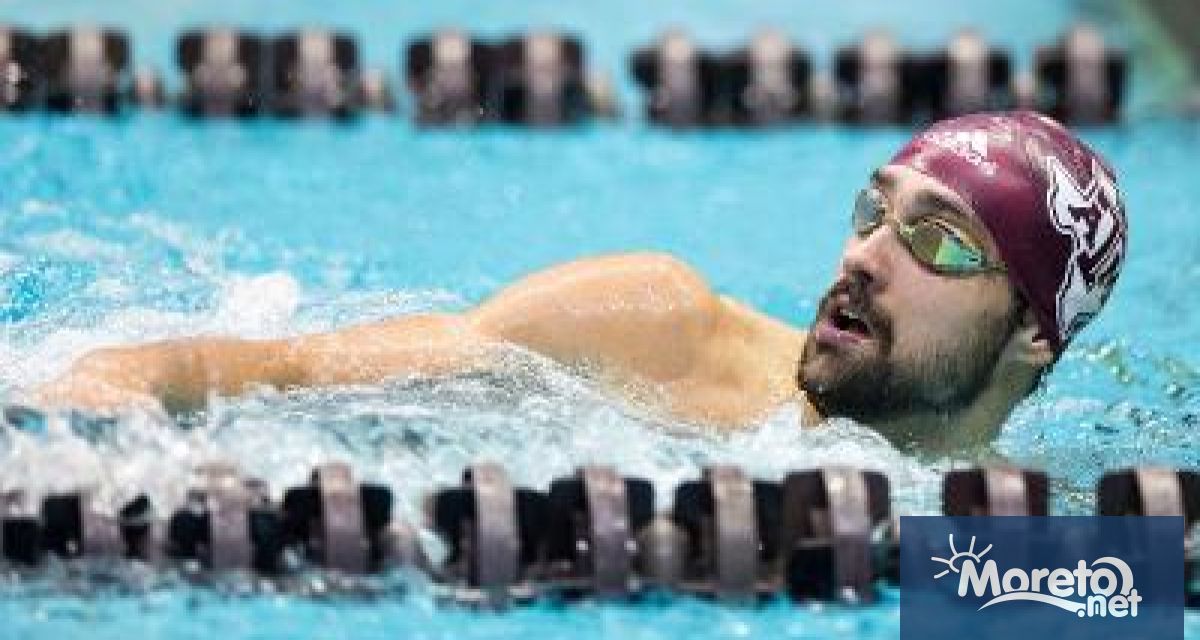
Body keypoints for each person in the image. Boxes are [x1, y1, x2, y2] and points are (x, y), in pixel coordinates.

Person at [24, 111, 1127, 453]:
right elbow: (274, 368)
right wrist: (74, 408)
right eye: (872, 212)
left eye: (936, 241)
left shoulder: (1045, 540)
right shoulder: (650, 327)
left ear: (1035, 331)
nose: (863, 254)